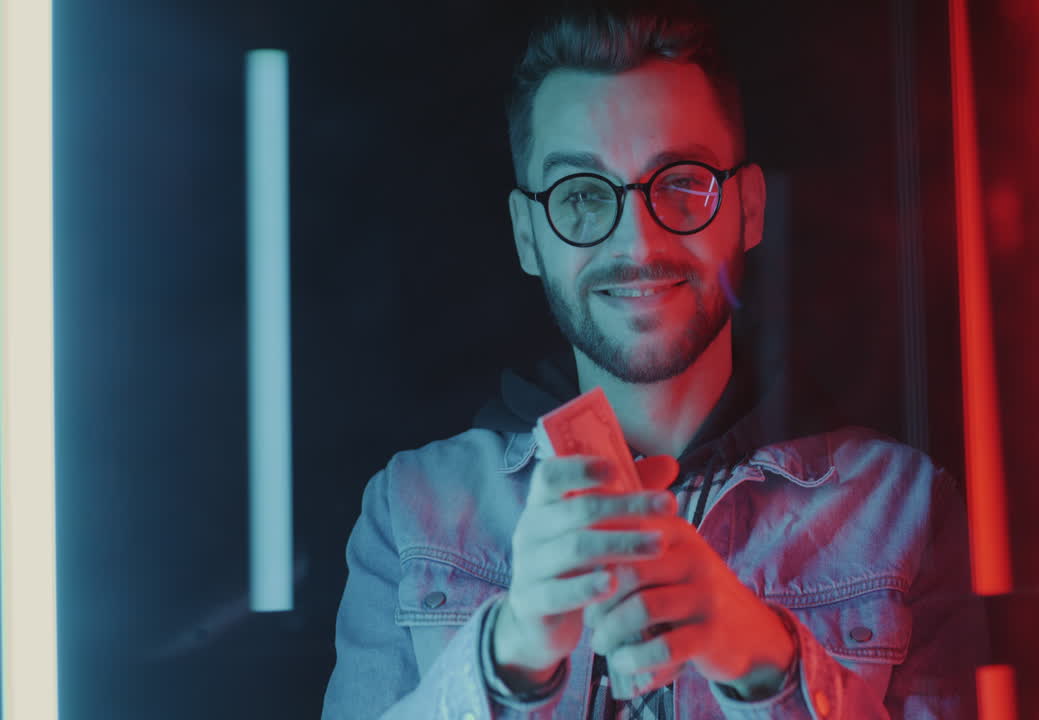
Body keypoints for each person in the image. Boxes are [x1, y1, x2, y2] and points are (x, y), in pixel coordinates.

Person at [321, 1, 986, 717]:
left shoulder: (901, 511)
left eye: (682, 182)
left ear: (749, 210)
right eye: (581, 196)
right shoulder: (414, 511)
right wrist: (505, 656)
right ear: (527, 235)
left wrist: (766, 666)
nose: (638, 245)